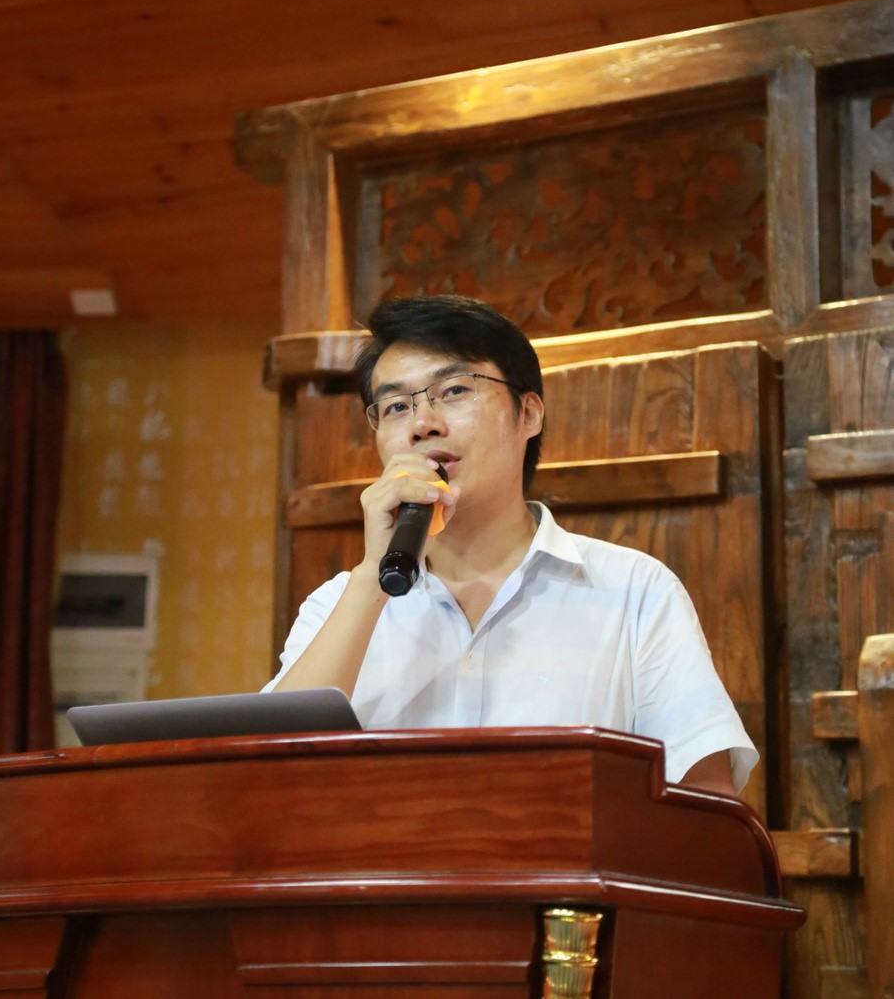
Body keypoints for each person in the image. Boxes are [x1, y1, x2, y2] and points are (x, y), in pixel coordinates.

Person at [265, 294, 757, 796]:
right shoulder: (337, 605)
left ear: (529, 413)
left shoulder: (635, 592)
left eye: (454, 390)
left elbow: (706, 804)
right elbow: (262, 779)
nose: (422, 424)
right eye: (395, 406)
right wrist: (375, 575)